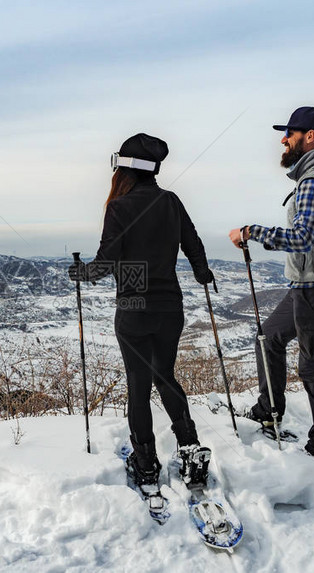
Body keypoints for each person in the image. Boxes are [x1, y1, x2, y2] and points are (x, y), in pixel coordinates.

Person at [69, 133, 215, 491]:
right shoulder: (171, 201)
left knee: (138, 382)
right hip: (170, 307)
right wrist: (202, 273)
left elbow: (106, 263)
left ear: (125, 170)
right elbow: (194, 247)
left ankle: (146, 462)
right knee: (165, 376)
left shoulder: (119, 208)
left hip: (134, 309)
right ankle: (190, 448)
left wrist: (80, 273)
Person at [228, 106, 314, 468]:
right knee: (268, 337)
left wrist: (252, 232)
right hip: (309, 284)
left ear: (309, 137)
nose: (283, 139)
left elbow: (303, 237)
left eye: (290, 134)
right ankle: (269, 410)